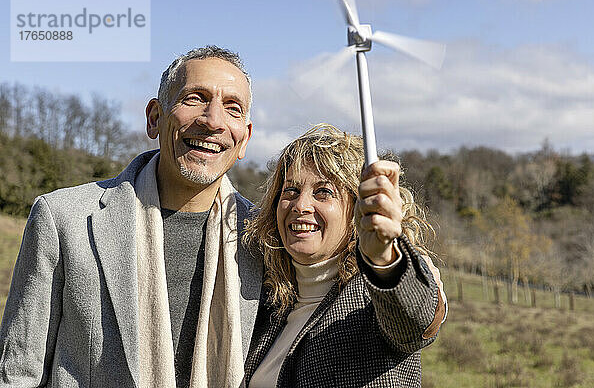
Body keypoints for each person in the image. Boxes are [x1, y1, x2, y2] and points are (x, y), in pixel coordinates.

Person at [0, 46, 262, 388]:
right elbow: (18, 373)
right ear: (155, 117)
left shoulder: (263, 238)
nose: (213, 121)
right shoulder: (63, 219)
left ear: (244, 139)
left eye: (233, 108)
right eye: (194, 98)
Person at [243, 124, 447, 387]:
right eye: (291, 191)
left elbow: (414, 322)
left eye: (323, 192)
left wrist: (383, 258)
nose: (300, 205)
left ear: (359, 209)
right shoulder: (267, 304)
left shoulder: (370, 299)